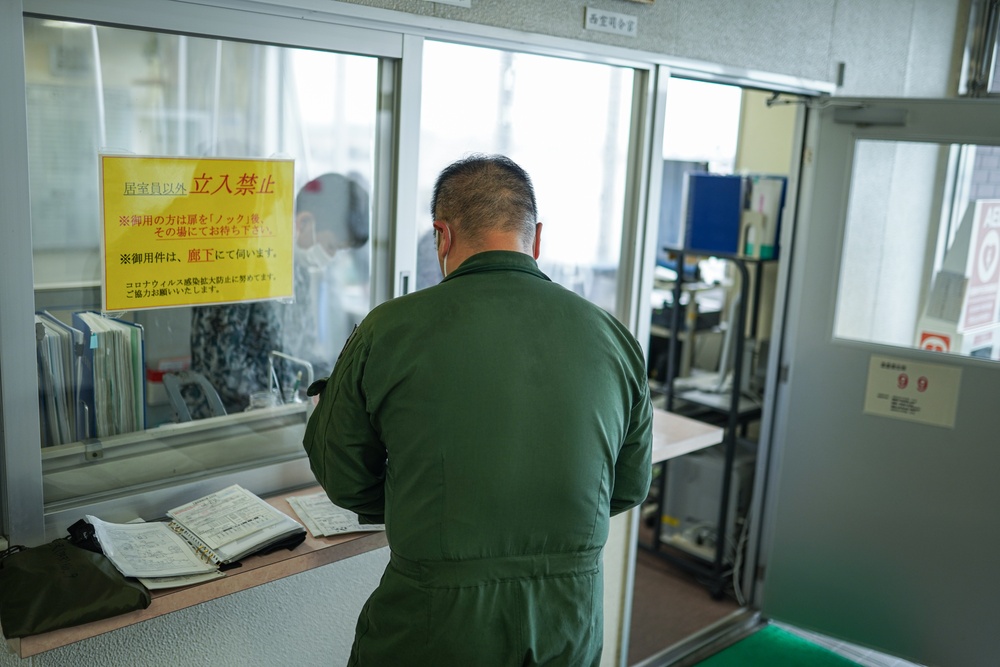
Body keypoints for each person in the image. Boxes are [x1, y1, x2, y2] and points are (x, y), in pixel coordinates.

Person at [303, 154, 652, 666]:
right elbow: (628, 486)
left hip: (433, 627)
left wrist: (421, 503)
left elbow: (344, 478)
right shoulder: (613, 337)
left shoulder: (389, 329)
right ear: (535, 239)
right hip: (568, 623)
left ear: (442, 237)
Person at [189, 172, 369, 415]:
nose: (331, 258)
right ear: (304, 223)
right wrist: (277, 403)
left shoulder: (297, 268)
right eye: (331, 246)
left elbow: (303, 349)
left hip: (277, 416)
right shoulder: (241, 261)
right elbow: (223, 369)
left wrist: (337, 383)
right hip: (227, 420)